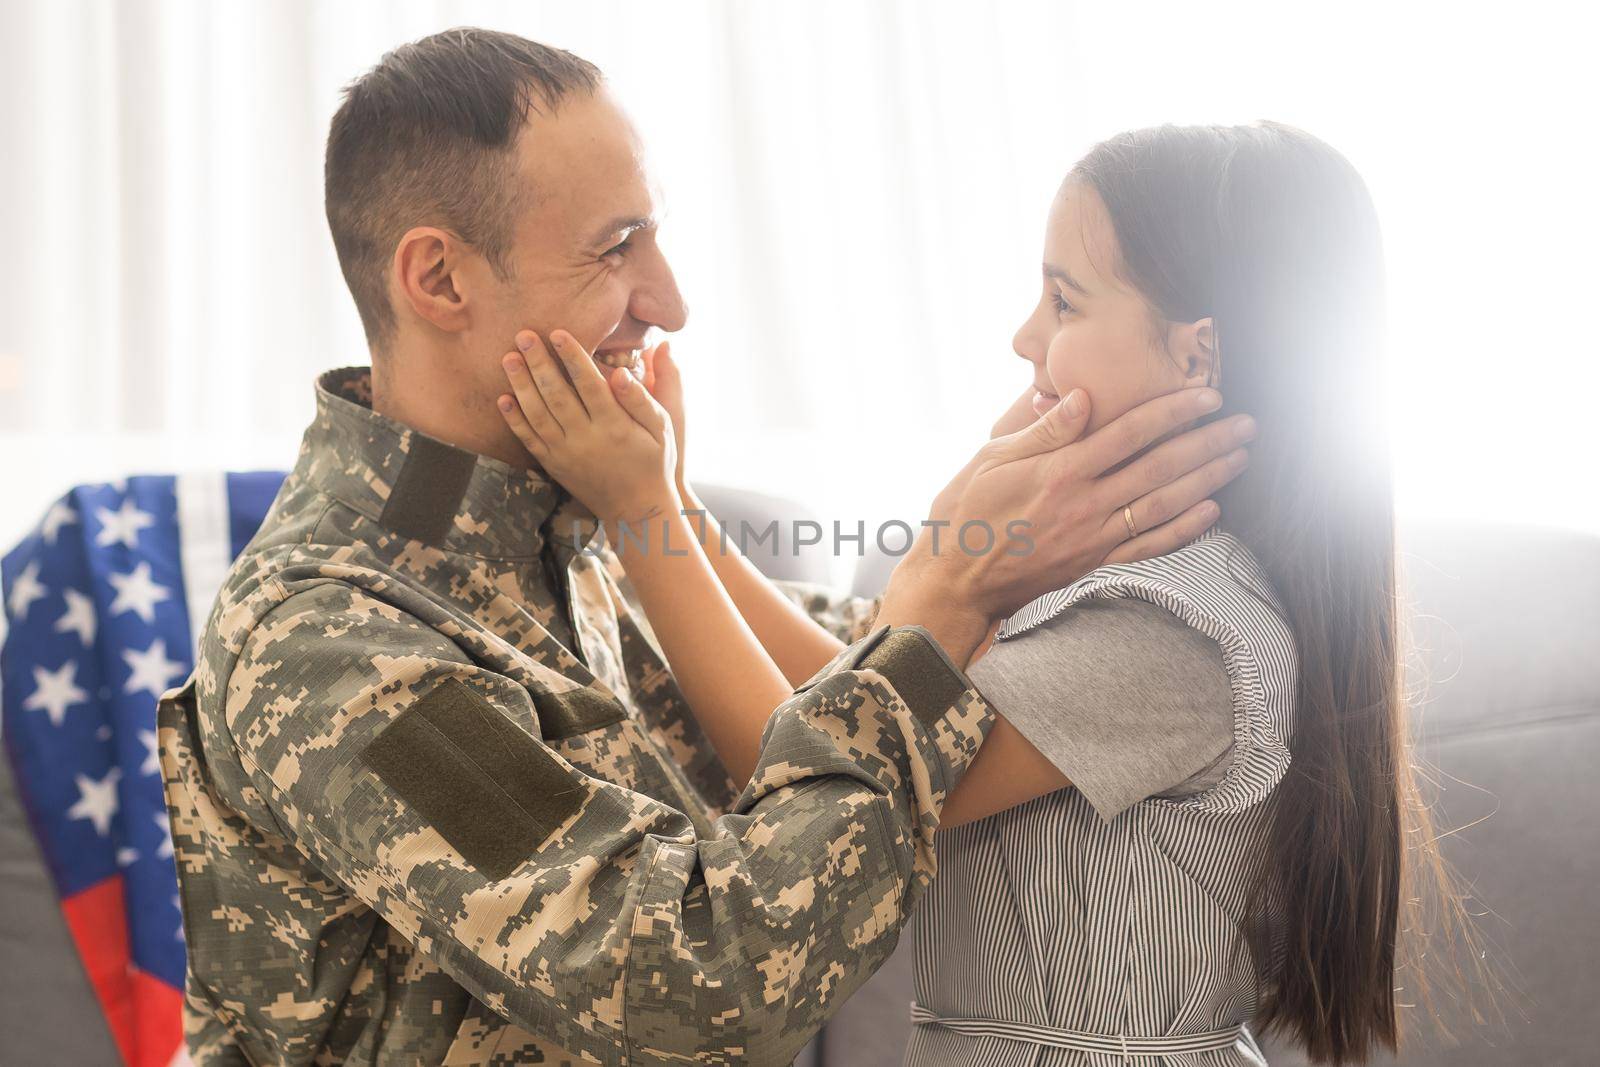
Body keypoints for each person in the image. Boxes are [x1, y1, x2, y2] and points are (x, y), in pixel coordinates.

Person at [157, 30, 1252, 1066]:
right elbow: (699, 981)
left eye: (654, 231)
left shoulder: (570, 533)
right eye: (612, 249)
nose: (668, 301)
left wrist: (670, 512)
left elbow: (849, 678)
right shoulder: (337, 643)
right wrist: (944, 592)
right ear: (440, 280)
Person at [502, 124, 1449, 1065]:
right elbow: (853, 693)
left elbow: (805, 755)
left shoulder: (1166, 633)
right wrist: (674, 502)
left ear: (1199, 356)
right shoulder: (1099, 577)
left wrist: (641, 511)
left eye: (1064, 301)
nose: (1024, 336)